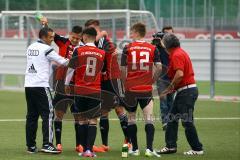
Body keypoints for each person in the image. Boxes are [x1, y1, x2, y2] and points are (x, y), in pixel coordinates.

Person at [85, 19, 130, 152]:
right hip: (103, 80)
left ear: (98, 30)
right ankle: (105, 144)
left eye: (94, 30)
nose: (92, 33)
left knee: (119, 109)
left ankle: (129, 141)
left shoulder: (105, 41)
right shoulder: (98, 41)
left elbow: (108, 53)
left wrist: (103, 34)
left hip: (113, 79)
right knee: (103, 112)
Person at [39, 17, 84, 152]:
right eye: (73, 37)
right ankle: (58, 143)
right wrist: (44, 23)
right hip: (60, 84)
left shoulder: (83, 48)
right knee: (59, 113)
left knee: (78, 115)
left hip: (76, 85)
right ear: (70, 35)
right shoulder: (63, 41)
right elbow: (50, 34)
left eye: (77, 38)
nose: (75, 40)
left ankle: (79, 144)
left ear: (81, 37)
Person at [158, 33, 204, 155]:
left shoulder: (176, 55)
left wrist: (169, 88)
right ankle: (170, 146)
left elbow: (179, 74)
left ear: (168, 45)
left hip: (186, 92)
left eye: (163, 42)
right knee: (171, 119)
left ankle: (197, 149)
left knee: (187, 121)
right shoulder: (179, 52)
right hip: (185, 91)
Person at [24, 27, 68, 154]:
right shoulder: (47, 49)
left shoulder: (30, 47)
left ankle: (31, 146)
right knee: (48, 114)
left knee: (31, 116)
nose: (52, 40)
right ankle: (47, 144)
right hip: (41, 86)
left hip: (29, 85)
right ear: (43, 37)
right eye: (50, 37)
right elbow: (63, 62)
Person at [121, 22, 162, 157]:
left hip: (131, 89)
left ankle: (135, 149)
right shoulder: (152, 48)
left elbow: (122, 69)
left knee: (131, 119)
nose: (130, 34)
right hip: (145, 88)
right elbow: (160, 67)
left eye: (132, 32)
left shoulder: (127, 48)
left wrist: (124, 84)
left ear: (137, 33)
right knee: (149, 118)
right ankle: (149, 149)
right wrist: (152, 80)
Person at [65, 27, 105, 157]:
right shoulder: (101, 52)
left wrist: (66, 84)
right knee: (93, 120)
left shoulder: (78, 50)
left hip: (80, 89)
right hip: (95, 89)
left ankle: (83, 150)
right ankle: (90, 150)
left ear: (85, 37)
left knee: (81, 120)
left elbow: (71, 69)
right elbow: (102, 71)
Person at [154, 25, 174, 130]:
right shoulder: (158, 45)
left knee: (171, 101)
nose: (168, 35)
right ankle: (165, 122)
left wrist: (162, 44)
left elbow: (170, 53)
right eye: (166, 33)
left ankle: (171, 122)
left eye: (170, 33)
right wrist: (155, 41)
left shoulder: (174, 44)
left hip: (172, 76)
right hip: (161, 77)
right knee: (163, 101)